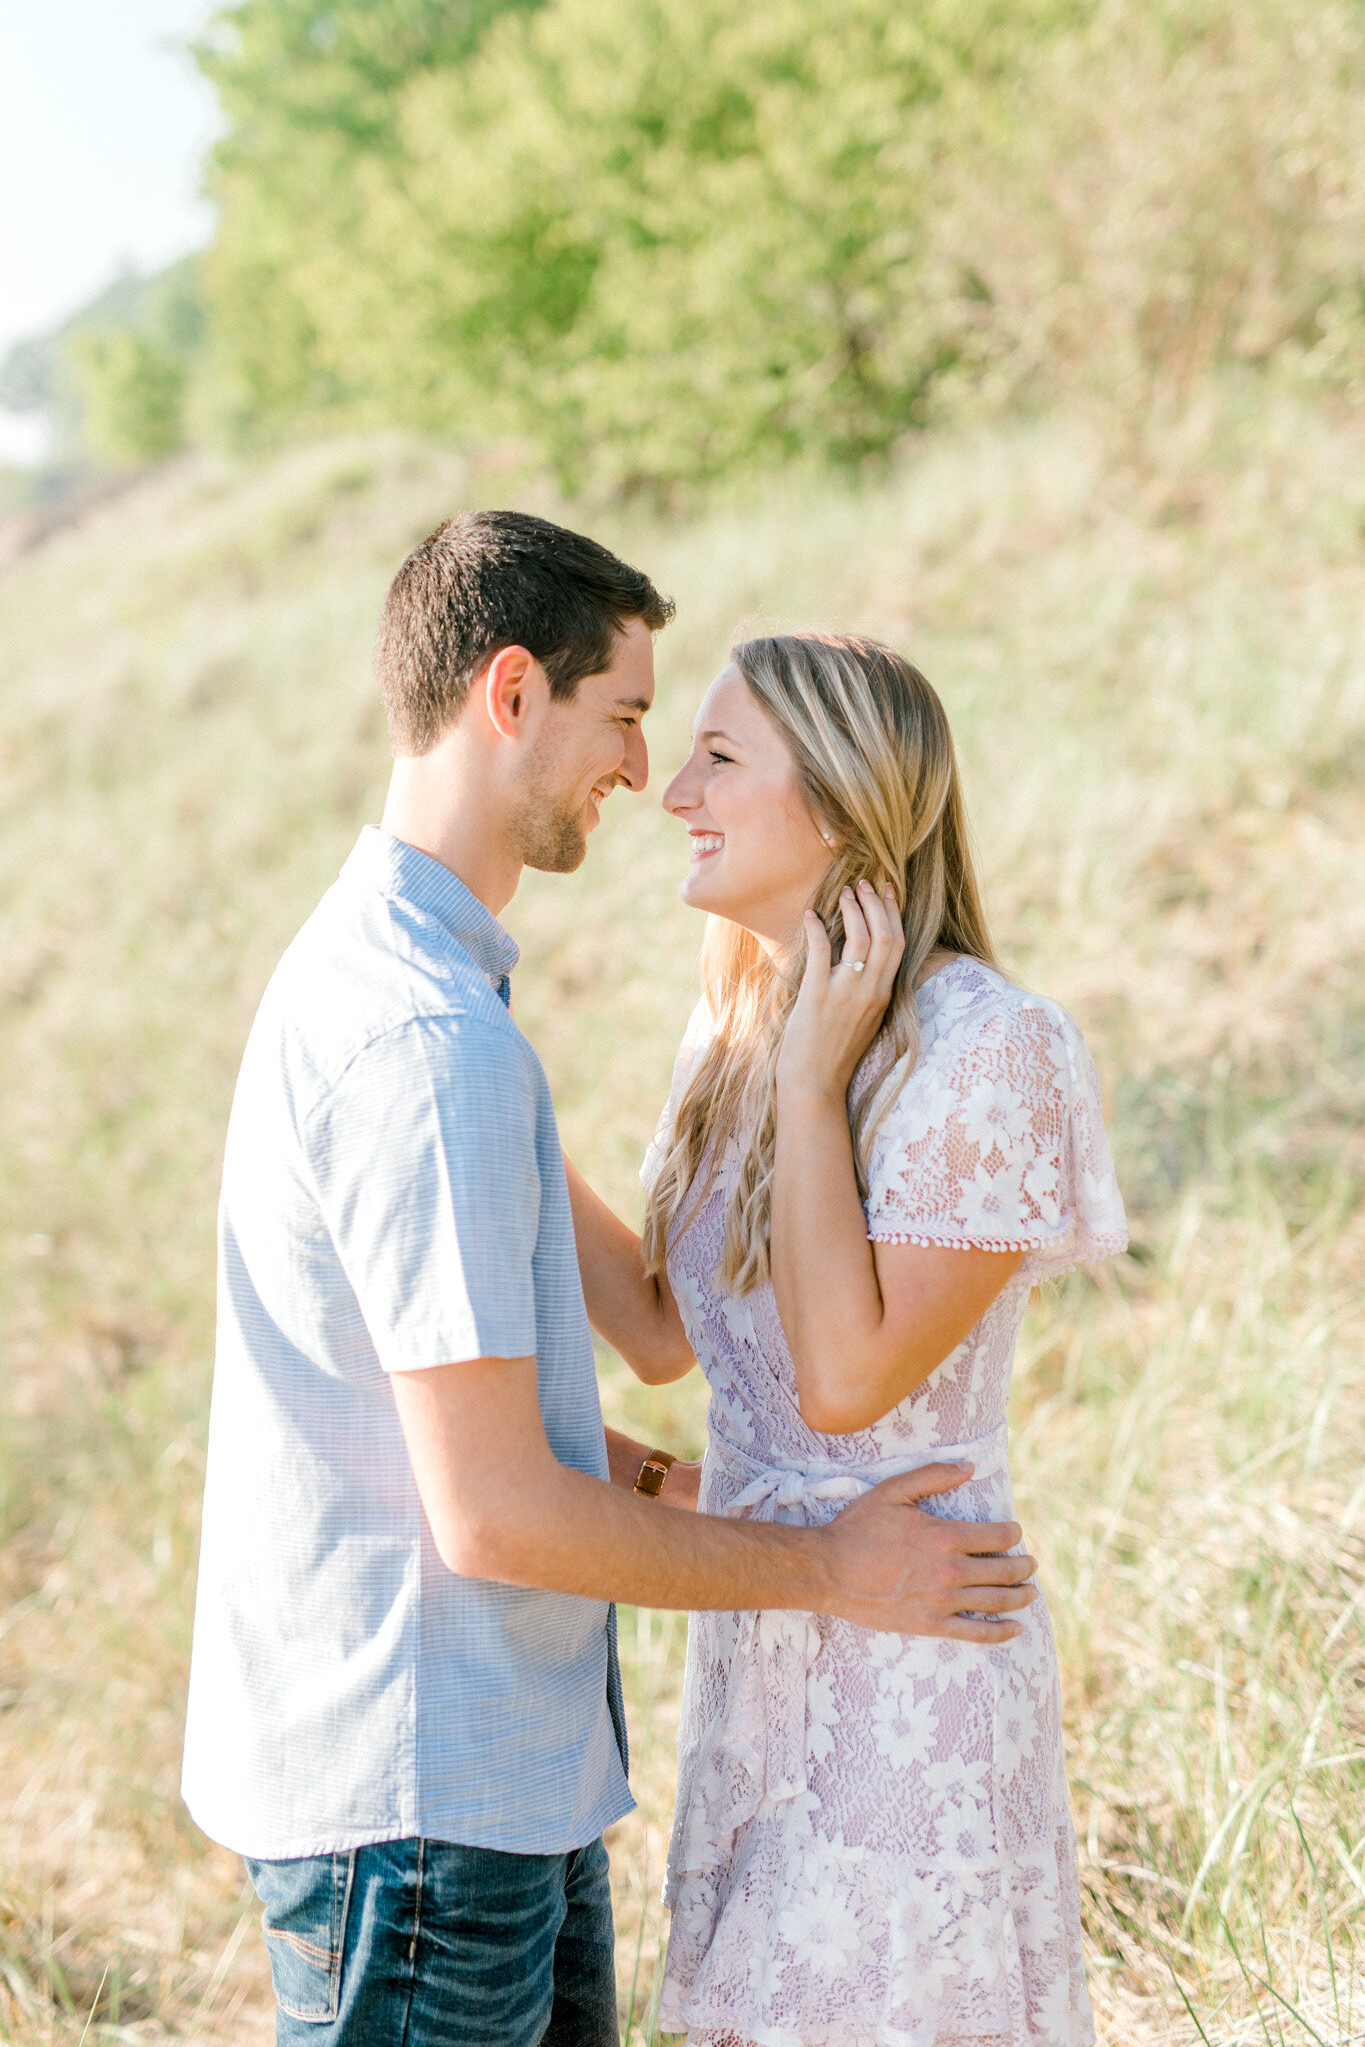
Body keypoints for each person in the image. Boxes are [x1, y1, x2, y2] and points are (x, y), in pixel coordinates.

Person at [181, 519, 1039, 2047]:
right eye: (630, 719)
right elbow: (496, 1513)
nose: (642, 777)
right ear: (510, 694)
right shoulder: (425, 1042)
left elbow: (624, 1334)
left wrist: (671, 1480)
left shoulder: (437, 1005)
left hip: (492, 1780)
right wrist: (830, 1566)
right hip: (422, 1801)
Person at [577, 633, 1128, 2046]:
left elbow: (842, 1382)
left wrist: (816, 1085)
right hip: (766, 1636)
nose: (671, 790)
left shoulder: (986, 1049)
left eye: (717, 757)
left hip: (912, 1665)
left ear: (834, 799)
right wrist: (481, 1094)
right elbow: (656, 1332)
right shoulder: (734, 1026)